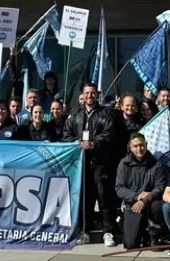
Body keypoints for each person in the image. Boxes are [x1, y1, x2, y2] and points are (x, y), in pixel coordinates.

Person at [63, 83, 120, 247]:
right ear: (83, 95)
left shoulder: (106, 114)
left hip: (100, 163)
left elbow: (109, 134)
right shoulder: (74, 115)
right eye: (87, 93)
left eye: (93, 93)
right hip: (81, 164)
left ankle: (107, 232)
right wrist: (76, 143)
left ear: (97, 95)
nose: (90, 96)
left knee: (104, 198)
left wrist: (94, 143)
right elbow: (66, 134)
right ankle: (85, 231)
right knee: (85, 199)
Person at [115, 134, 168, 249]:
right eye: (136, 146)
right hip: (132, 204)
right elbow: (119, 188)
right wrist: (136, 197)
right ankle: (141, 231)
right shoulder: (124, 164)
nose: (139, 149)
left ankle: (154, 236)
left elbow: (160, 186)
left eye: (142, 145)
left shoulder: (156, 164)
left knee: (158, 206)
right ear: (130, 147)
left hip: (151, 202)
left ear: (146, 145)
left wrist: (145, 199)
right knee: (130, 245)